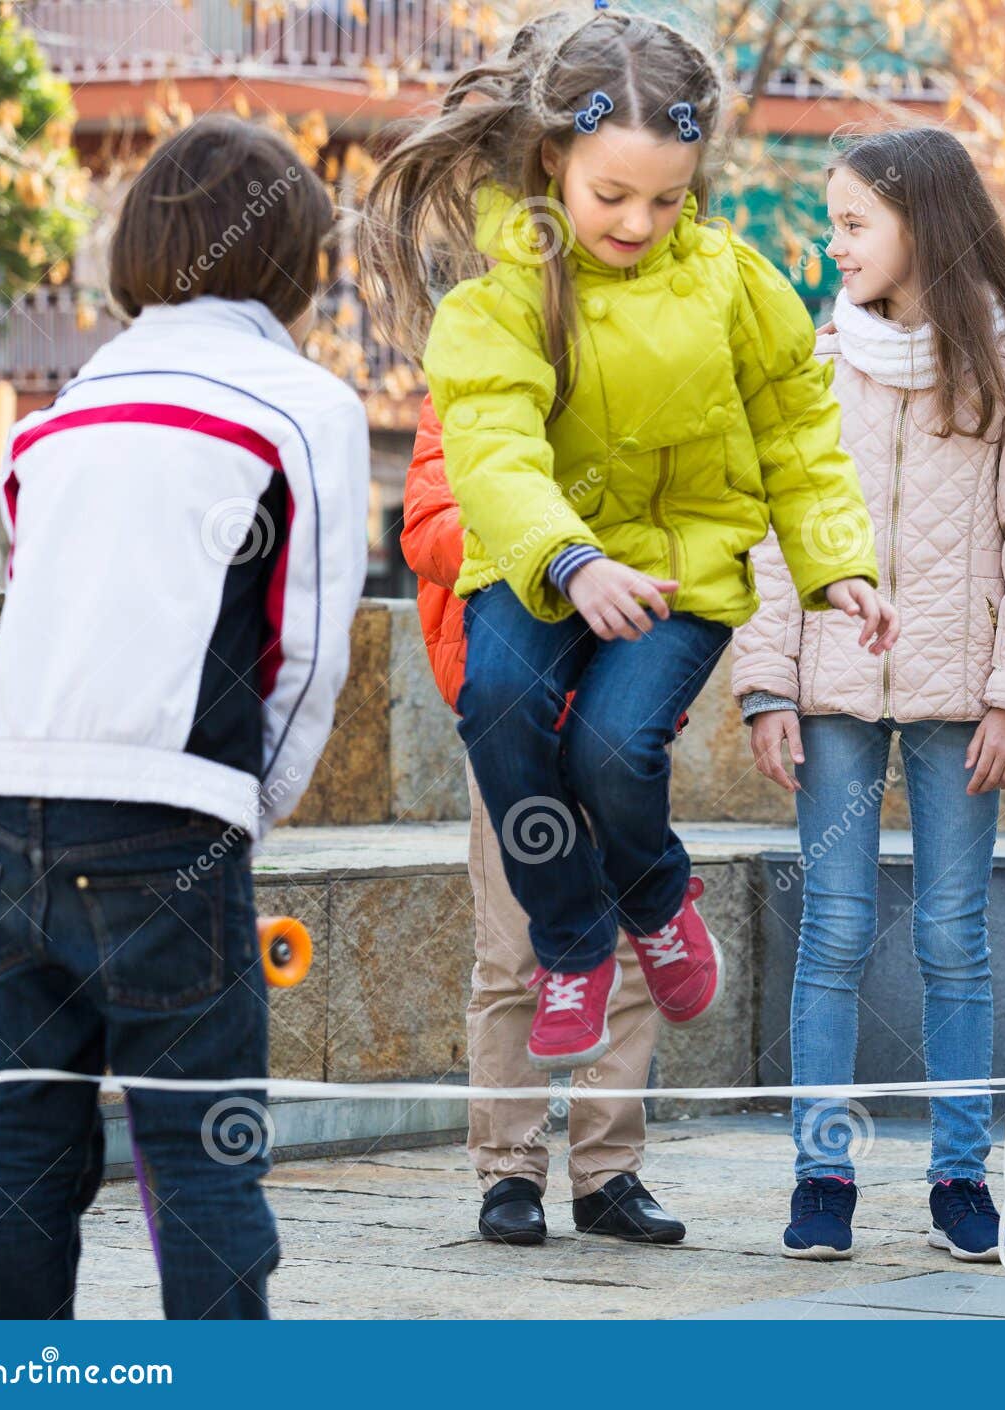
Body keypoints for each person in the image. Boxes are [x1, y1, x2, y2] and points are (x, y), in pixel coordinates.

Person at [360, 3, 896, 1071]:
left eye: (667, 198)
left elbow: (796, 433)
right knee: (499, 705)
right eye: (610, 195)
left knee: (611, 748)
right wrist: (569, 559)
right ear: (550, 158)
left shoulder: (733, 286)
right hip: (546, 557)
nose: (639, 222)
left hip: (679, 563)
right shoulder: (497, 299)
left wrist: (835, 560)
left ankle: (656, 898)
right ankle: (572, 942)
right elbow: (495, 455)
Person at [0, 115, 372, 1319]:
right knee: (200, 1138)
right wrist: (257, 804)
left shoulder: (59, 417)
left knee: (29, 1121)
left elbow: (51, 605)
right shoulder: (300, 406)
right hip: (169, 816)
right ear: (297, 258)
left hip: (10, 801)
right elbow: (307, 643)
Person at [732, 127, 1005, 1263]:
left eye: (851, 224)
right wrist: (766, 684)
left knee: (951, 938)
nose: (833, 246)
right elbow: (777, 543)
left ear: (919, 224)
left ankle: (960, 1180)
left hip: (957, 700)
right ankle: (821, 1175)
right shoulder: (816, 368)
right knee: (829, 931)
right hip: (832, 693)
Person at [402, 394, 686, 1245]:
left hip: (619, 719)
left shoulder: (647, 380)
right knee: (514, 951)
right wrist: (552, 547)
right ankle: (508, 1171)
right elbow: (427, 529)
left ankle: (608, 1175)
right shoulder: (464, 388)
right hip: (510, 729)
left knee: (632, 951)